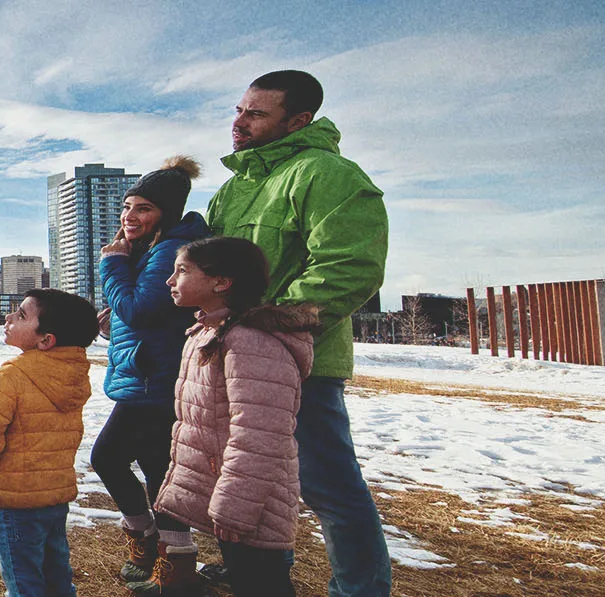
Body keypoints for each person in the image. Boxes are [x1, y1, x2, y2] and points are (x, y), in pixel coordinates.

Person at [204, 70, 391, 596]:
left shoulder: (327, 174)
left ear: (299, 120)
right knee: (249, 478)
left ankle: (361, 589)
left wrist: (268, 323)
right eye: (239, 110)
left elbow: (349, 266)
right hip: (233, 359)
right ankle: (260, 572)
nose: (239, 123)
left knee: (329, 488)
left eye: (256, 114)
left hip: (299, 364)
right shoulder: (235, 188)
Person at [151, 236, 317, 597]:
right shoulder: (208, 332)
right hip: (232, 493)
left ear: (221, 282)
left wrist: (235, 506)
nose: (170, 280)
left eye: (182, 271)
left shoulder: (251, 342)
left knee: (262, 584)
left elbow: (260, 434)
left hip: (252, 501)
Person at [91, 156, 208, 585]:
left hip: (155, 379)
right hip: (149, 371)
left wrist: (112, 264)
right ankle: (167, 558)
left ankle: (165, 557)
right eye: (127, 207)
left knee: (112, 458)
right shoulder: (156, 248)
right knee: (154, 464)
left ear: (166, 213)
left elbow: (141, 309)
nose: (130, 216)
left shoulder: (168, 249)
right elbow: (145, 311)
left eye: (143, 209)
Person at [0, 288, 97, 597]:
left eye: (21, 315)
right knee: (56, 572)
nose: (9, 317)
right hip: (54, 495)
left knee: (23, 581)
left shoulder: (11, 378)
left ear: (45, 340)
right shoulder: (72, 376)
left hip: (17, 500)